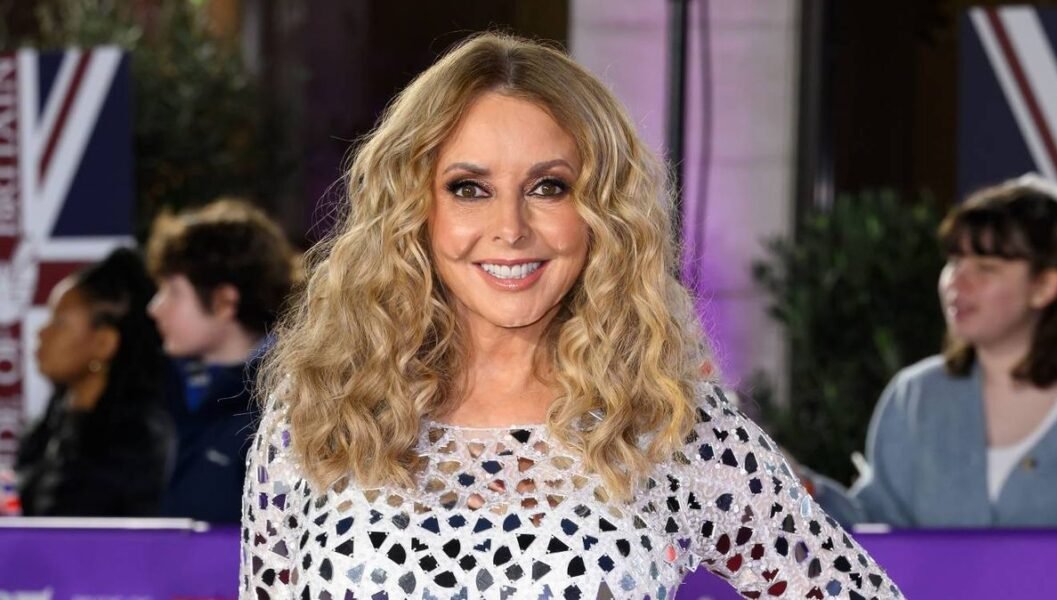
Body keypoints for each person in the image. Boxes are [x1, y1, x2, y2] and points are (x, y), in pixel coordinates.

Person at [241, 33, 899, 599]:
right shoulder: (322, 412)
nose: (510, 228)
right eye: (469, 188)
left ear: (600, 213)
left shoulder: (668, 424)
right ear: (415, 209)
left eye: (549, 187)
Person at [849, 175, 1057, 527]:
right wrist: (805, 487)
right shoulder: (916, 396)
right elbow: (872, 526)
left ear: (1044, 287)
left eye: (986, 268)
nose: (956, 282)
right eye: (954, 261)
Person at [147, 199, 299, 523]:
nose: (155, 307)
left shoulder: (289, 402)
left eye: (173, 291)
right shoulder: (164, 388)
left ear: (224, 301)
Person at [16, 248, 171, 516]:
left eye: (59, 322)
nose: (41, 333)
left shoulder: (141, 439)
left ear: (104, 343)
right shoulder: (51, 424)